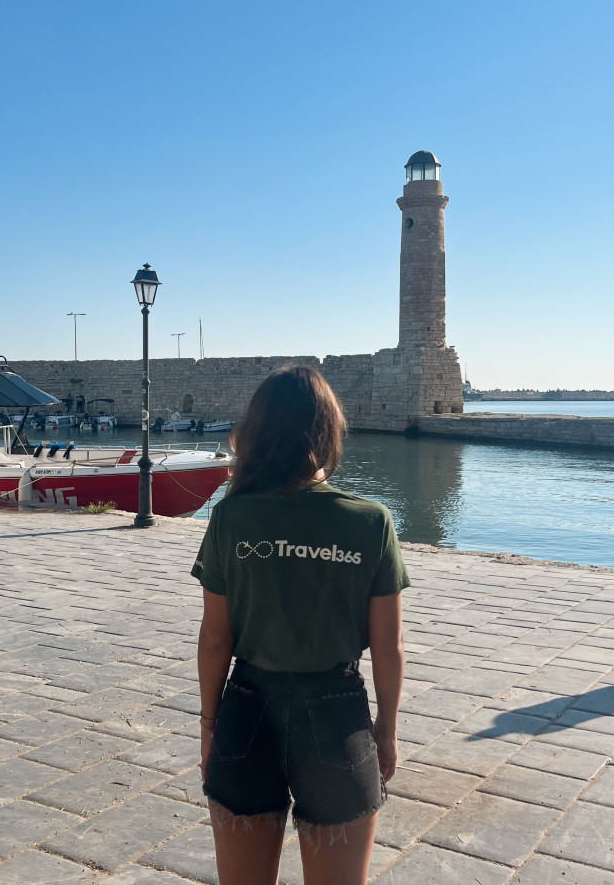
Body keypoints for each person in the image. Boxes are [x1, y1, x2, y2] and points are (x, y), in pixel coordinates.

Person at [192, 365, 407, 885]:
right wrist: (386, 731)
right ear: (328, 431)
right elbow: (388, 646)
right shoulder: (370, 521)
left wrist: (209, 726)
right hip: (338, 720)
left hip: (246, 713)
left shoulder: (231, 516)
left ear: (257, 430)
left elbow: (216, 638)